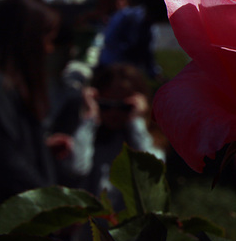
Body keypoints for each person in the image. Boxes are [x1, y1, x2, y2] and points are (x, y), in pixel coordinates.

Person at [61, 63, 166, 208]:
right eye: (105, 105)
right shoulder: (88, 133)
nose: (113, 114)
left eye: (124, 107)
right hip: (91, 225)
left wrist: (136, 123)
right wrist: (90, 118)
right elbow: (76, 167)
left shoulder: (147, 137)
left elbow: (150, 171)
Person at [0, 0, 61, 209]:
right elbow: (6, 161)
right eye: (47, 39)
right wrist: (53, 207)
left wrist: (41, 148)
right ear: (27, 40)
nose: (50, 49)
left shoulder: (8, 87)